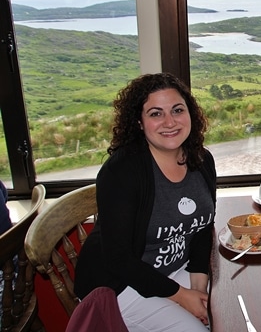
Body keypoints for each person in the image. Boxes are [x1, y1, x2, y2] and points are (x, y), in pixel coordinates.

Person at [74, 73, 216, 331]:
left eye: (177, 110)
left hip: (174, 269)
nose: (169, 122)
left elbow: (202, 228)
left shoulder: (202, 160)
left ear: (190, 114)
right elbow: (118, 259)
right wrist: (183, 296)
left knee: (224, 306)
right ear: (139, 122)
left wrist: (198, 289)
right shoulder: (121, 172)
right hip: (121, 284)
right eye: (155, 113)